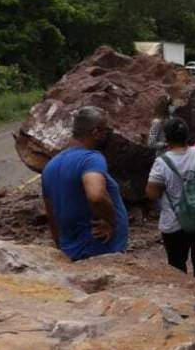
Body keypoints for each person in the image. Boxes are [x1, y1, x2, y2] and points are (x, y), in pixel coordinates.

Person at [41, 106, 129, 261]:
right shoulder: (91, 159)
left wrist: (60, 247)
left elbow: (51, 213)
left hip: (71, 252)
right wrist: (111, 222)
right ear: (95, 132)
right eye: (106, 131)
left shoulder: (50, 166)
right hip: (101, 252)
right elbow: (96, 195)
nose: (109, 136)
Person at [146, 118, 195, 277]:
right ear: (187, 135)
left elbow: (152, 193)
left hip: (175, 223)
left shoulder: (162, 162)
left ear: (167, 138)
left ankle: (183, 299)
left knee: (177, 267)